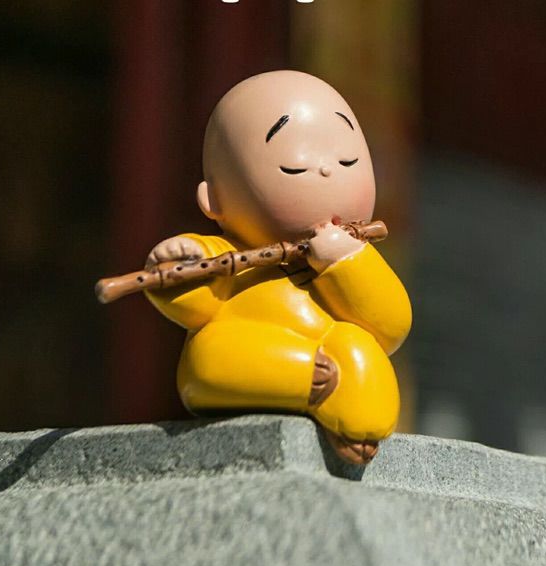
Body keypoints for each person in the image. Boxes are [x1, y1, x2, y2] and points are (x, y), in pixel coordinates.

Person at [145, 70, 411, 465]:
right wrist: (177, 265)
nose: (327, 170)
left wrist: (345, 262)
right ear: (213, 199)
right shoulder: (225, 255)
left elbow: (391, 324)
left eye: (347, 160)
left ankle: (357, 417)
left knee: (361, 348)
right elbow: (194, 303)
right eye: (295, 167)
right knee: (210, 352)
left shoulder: (356, 253)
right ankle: (306, 378)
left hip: (337, 349)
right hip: (252, 354)